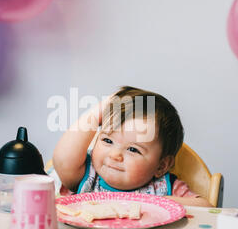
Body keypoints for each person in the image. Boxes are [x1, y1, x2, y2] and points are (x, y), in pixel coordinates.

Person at [52, 86, 212, 207]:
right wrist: (105, 106)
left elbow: (207, 208)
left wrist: (158, 203)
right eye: (108, 141)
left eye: (133, 149)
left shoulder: (164, 187)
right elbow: (62, 160)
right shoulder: (87, 175)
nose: (115, 155)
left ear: (161, 165)